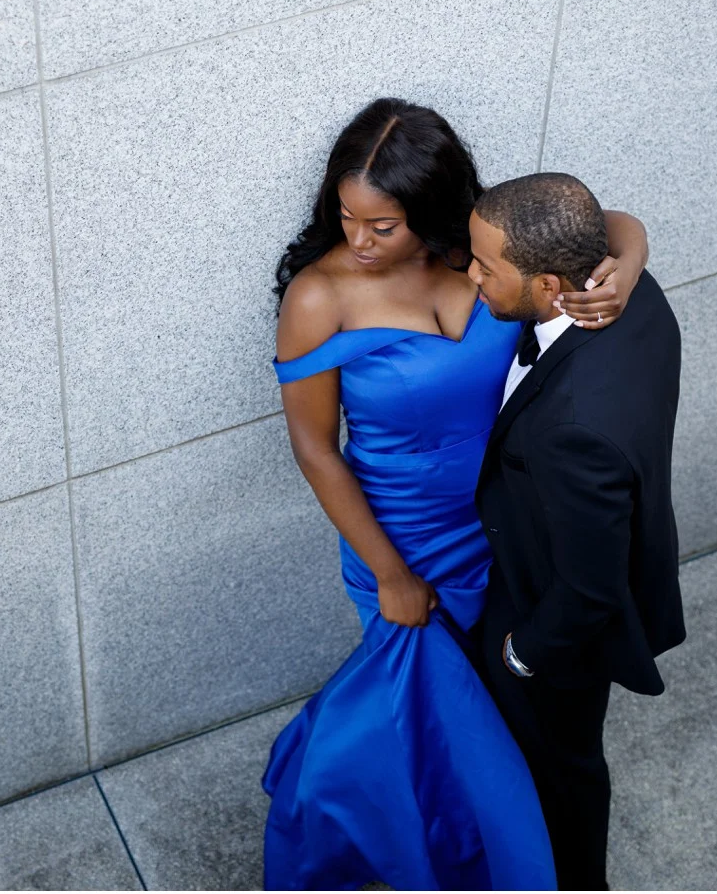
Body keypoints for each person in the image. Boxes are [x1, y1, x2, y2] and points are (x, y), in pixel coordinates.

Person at [258, 98, 652, 890]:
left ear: (433, 211)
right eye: (347, 217)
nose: (359, 241)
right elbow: (314, 447)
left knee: (501, 712)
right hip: (399, 541)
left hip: (508, 528)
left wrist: (627, 268)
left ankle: (488, 846)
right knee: (434, 715)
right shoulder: (319, 296)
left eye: (384, 225)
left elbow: (614, 224)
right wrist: (392, 573)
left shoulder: (487, 248)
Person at [466, 172, 687, 891]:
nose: (470, 275)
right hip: (526, 556)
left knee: (564, 773)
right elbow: (622, 224)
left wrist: (521, 654)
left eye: (485, 267)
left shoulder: (574, 429)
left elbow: (588, 589)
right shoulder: (637, 294)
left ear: (549, 285)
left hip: (549, 622)